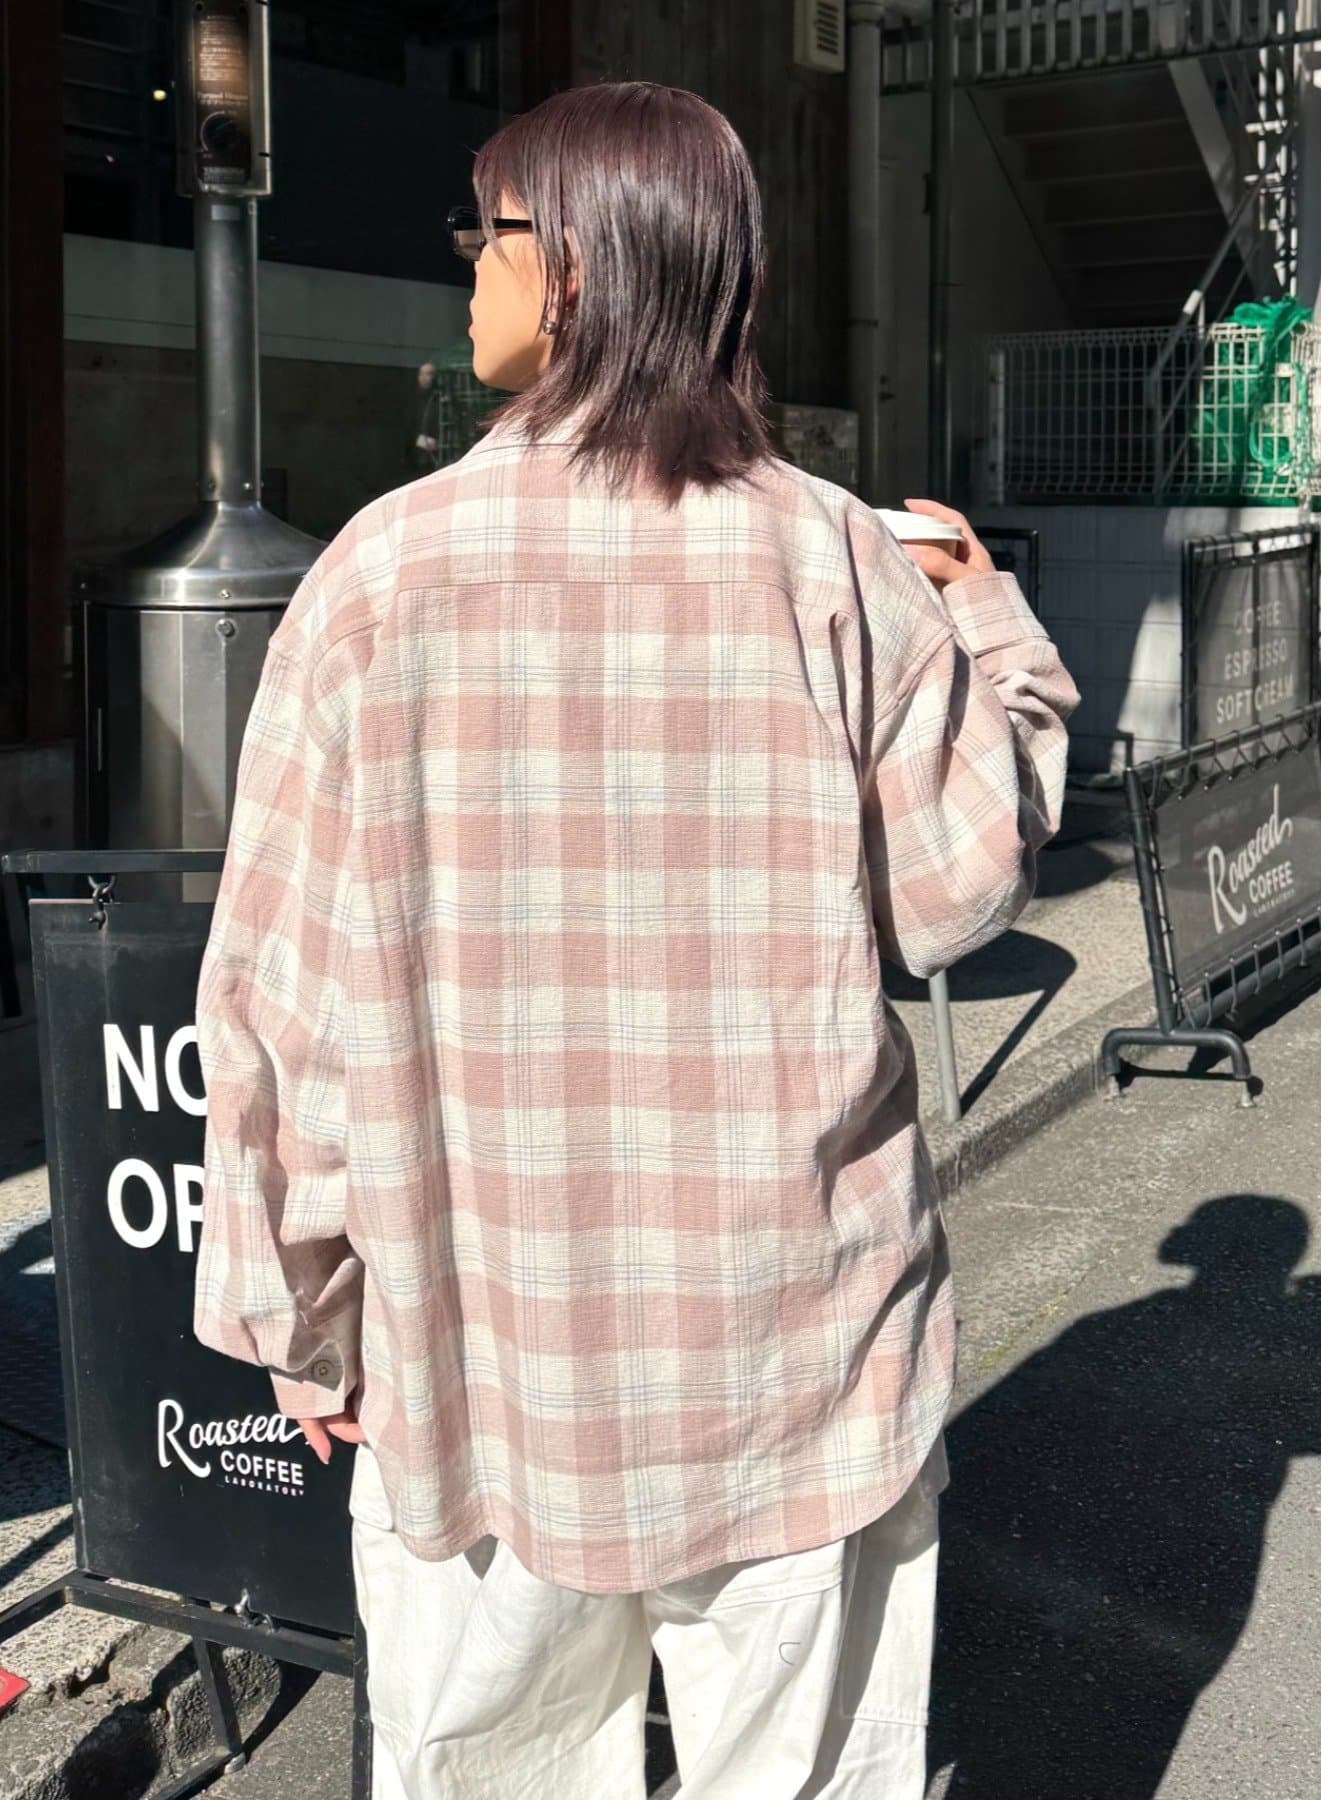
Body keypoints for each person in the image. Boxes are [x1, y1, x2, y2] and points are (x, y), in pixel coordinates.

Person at [192, 79, 1080, 1800]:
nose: (465, 264)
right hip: (793, 1364)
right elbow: (963, 891)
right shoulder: (834, 560)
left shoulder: (377, 576)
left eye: (489, 229)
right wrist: (986, 615)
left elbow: (279, 1005)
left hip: (483, 1366)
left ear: (583, 263)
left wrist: (296, 1316)